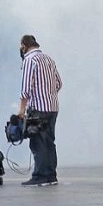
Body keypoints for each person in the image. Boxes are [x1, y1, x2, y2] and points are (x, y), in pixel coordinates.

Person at [18, 35, 63, 187]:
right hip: (53, 107)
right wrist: (48, 93)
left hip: (38, 108)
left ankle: (40, 175)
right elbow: (59, 83)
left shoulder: (29, 60)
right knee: (49, 141)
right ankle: (51, 174)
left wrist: (21, 110)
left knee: (38, 142)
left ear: (24, 46)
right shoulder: (49, 59)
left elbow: (25, 89)